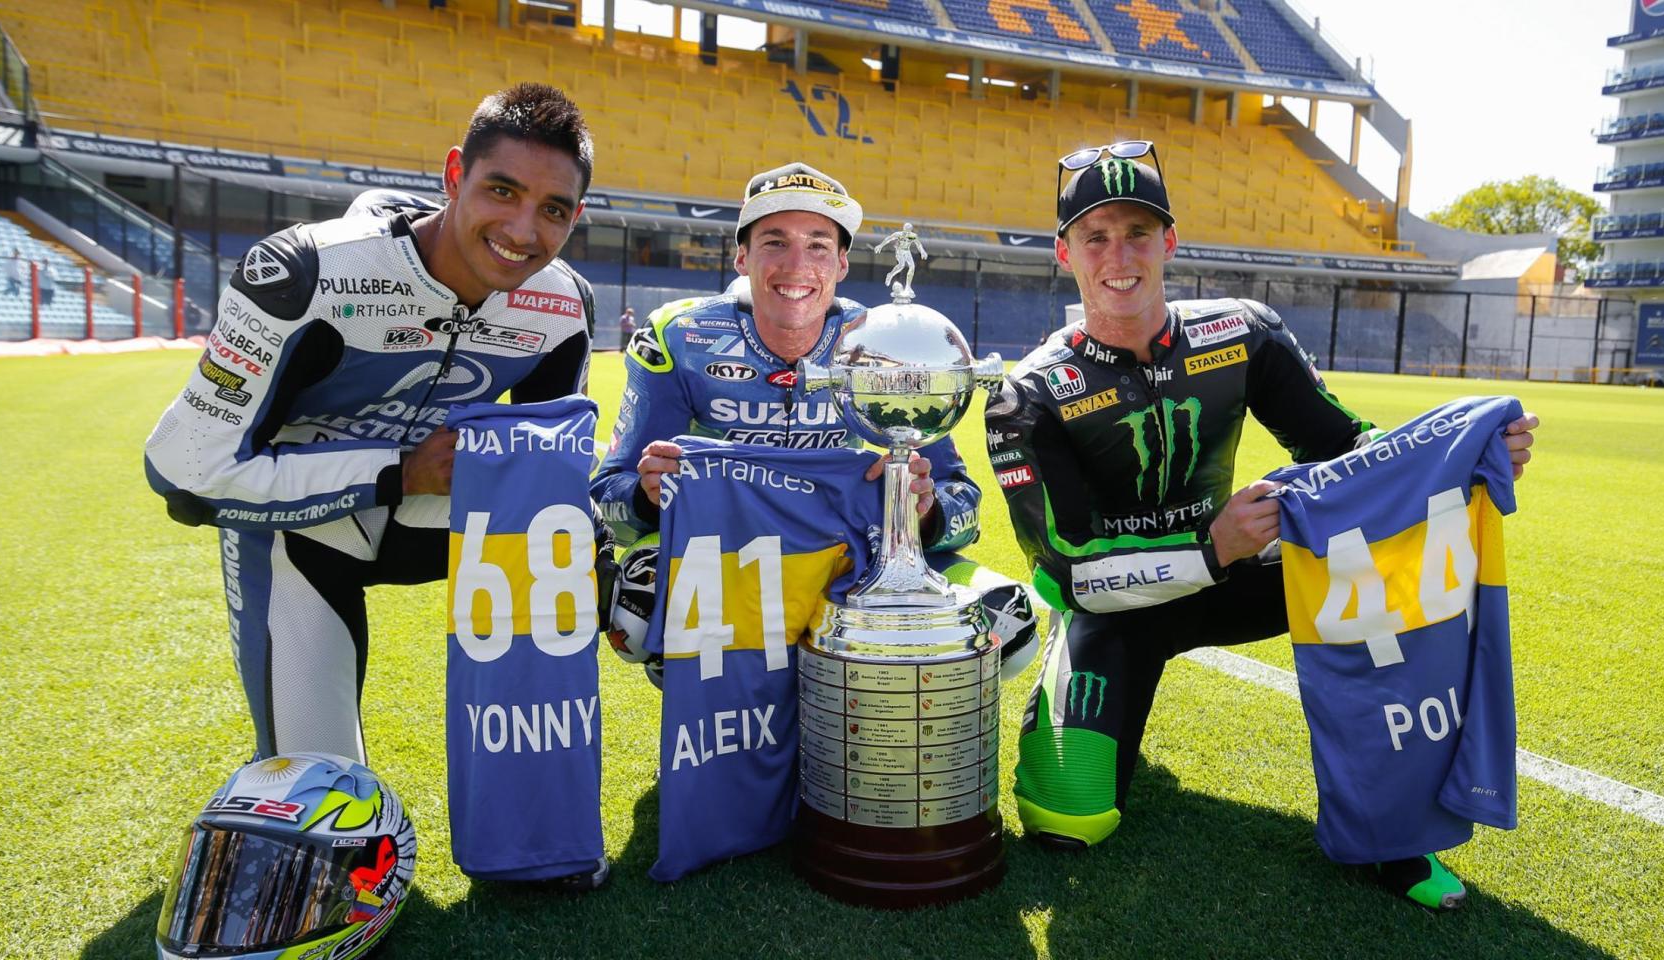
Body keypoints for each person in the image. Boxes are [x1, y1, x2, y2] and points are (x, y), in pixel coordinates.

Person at [985, 140, 1539, 910]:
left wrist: (1459, 458)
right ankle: (1093, 708)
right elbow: (1071, 570)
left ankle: (1396, 830)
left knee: (1383, 561)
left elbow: (1346, 447)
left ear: (1170, 242)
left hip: (1240, 575)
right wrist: (1209, 548)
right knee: (1067, 821)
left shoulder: (1242, 332)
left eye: (1138, 233)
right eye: (1096, 236)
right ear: (1064, 253)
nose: (1120, 256)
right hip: (1116, 608)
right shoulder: (1030, 394)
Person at [144, 83, 605, 803]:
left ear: (574, 218)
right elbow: (183, 469)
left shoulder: (563, 304)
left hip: (435, 517)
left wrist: (604, 555)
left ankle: (538, 822)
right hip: (304, 524)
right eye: (502, 190)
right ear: (454, 175)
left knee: (570, 536)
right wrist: (398, 471)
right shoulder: (308, 272)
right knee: (316, 792)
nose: (522, 230)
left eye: (552, 209)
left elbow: (547, 483)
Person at [592, 162, 1038, 680]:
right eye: (775, 242)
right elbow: (608, 499)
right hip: (727, 557)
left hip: (847, 555)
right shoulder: (678, 335)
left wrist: (924, 509)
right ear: (742, 256)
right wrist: (647, 496)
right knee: (639, 600)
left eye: (819, 245)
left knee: (1007, 622)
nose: (797, 264)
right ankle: (720, 703)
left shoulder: (884, 341)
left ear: (842, 263)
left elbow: (965, 507)